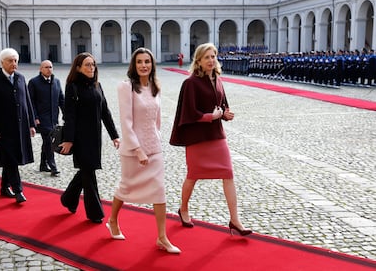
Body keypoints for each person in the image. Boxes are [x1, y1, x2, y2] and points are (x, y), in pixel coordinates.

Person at [169, 43, 252, 237]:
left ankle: (235, 219)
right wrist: (210, 117)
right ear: (198, 60)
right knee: (193, 175)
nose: (211, 60)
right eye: (206, 57)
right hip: (197, 137)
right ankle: (183, 208)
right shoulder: (190, 82)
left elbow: (221, 105)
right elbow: (188, 113)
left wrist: (225, 115)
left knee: (228, 173)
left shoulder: (218, 79)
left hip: (216, 135)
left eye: (213, 56)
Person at [106, 48, 181, 254]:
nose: (143, 65)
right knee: (126, 187)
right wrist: (138, 149)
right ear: (134, 64)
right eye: (139, 62)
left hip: (154, 147)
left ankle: (162, 237)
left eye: (147, 61)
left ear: (152, 64)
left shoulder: (156, 86)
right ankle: (112, 220)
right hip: (133, 149)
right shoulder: (127, 87)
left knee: (159, 189)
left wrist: (155, 139)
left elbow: (157, 118)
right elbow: (126, 122)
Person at [59, 52, 120, 224]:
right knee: (89, 173)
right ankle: (95, 213)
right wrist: (69, 139)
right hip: (79, 139)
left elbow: (105, 112)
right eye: (87, 65)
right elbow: (69, 115)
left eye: (93, 64)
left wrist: (114, 135)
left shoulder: (97, 85)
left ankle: (68, 199)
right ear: (78, 68)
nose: (91, 67)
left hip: (95, 138)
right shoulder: (72, 86)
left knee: (85, 172)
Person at [0, 48, 36, 204]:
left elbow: (27, 103)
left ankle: (4, 187)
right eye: (10, 61)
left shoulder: (20, 78)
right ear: (2, 62)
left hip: (19, 127)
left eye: (16, 60)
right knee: (11, 159)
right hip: (2, 129)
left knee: (10, 158)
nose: (14, 64)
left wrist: (31, 123)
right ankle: (18, 190)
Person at [28, 60, 65, 176]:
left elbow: (61, 99)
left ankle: (43, 165)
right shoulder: (34, 82)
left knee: (46, 141)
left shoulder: (57, 82)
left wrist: (66, 114)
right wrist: (34, 117)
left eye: (51, 67)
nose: (49, 69)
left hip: (53, 118)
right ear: (40, 69)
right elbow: (30, 102)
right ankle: (53, 166)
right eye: (46, 67)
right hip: (41, 119)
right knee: (49, 141)